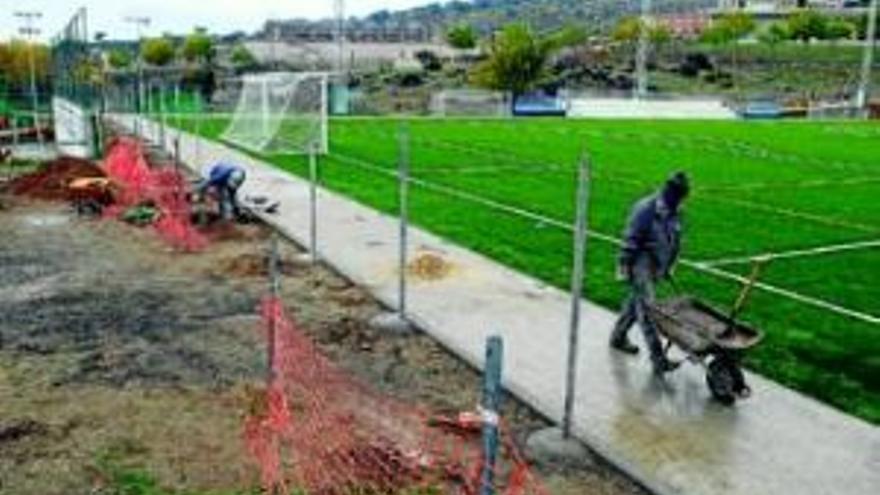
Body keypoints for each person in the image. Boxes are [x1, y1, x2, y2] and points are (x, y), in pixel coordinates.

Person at [610, 171, 690, 376]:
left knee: (634, 304)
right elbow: (631, 239)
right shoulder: (646, 209)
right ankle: (658, 359)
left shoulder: (676, 210)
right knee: (648, 312)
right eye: (678, 197)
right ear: (669, 192)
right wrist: (624, 266)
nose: (680, 202)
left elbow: (676, 240)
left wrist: (670, 265)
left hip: (657, 263)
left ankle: (618, 337)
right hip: (640, 263)